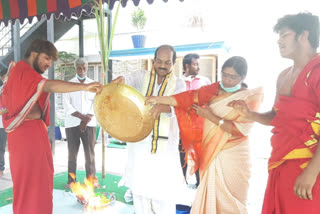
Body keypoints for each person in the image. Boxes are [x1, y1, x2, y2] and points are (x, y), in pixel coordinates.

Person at [228, 12, 320, 214]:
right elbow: (277, 117)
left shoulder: (317, 70)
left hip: (310, 166)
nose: (279, 41)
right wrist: (250, 114)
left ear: (303, 36)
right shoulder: (284, 76)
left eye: (284, 35)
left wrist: (311, 173)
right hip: (280, 163)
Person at [146, 56, 263, 213]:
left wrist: (210, 116)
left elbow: (240, 130)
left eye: (232, 77)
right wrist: (157, 99)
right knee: (210, 193)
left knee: (233, 199)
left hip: (234, 154)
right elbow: (185, 99)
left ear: (242, 77)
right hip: (211, 151)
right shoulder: (212, 90)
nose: (227, 80)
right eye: (224, 75)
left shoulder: (249, 98)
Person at [0, 39, 103, 214]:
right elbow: (49, 85)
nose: (48, 64)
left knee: (32, 181)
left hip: (26, 135)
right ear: (34, 54)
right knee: (34, 181)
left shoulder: (21, 72)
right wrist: (84, 87)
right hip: (28, 136)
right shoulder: (22, 71)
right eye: (46, 58)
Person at [113, 45, 187, 214]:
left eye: (167, 62)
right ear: (153, 61)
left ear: (173, 63)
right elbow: (127, 80)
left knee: (163, 194)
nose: (162, 66)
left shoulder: (179, 83)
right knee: (140, 193)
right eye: (159, 61)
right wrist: (120, 80)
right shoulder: (141, 76)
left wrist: (165, 107)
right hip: (140, 145)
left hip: (165, 149)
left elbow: (181, 105)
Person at [63, 58, 99, 189]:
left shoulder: (94, 85)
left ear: (87, 68)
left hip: (90, 124)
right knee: (72, 154)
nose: (82, 71)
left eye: (84, 68)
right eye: (79, 68)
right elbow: (67, 106)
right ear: (75, 69)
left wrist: (86, 119)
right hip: (72, 123)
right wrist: (81, 118)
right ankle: (71, 181)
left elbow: (96, 103)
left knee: (90, 153)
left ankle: (91, 180)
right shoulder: (68, 85)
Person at [180, 53, 211, 188]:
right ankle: (182, 183)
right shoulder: (178, 82)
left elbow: (210, 101)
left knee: (199, 156)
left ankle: (200, 184)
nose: (198, 67)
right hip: (182, 127)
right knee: (182, 155)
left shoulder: (205, 81)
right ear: (187, 66)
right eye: (195, 64)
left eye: (198, 64)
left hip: (200, 127)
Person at [0, 68, 8, 177]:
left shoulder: (9, 90)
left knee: (1, 147)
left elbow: (8, 107)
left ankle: (1, 168)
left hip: (3, 124)